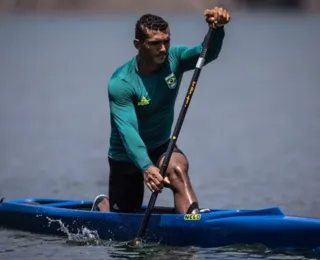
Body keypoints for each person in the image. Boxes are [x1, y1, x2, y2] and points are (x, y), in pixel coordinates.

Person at [91, 7, 231, 214]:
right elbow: (128, 131)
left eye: (166, 41)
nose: (164, 49)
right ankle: (104, 204)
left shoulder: (175, 59)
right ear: (138, 45)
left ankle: (191, 224)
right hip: (127, 155)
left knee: (177, 170)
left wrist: (217, 29)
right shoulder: (121, 83)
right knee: (125, 212)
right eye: (155, 43)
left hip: (161, 146)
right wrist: (146, 167)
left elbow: (206, 53)